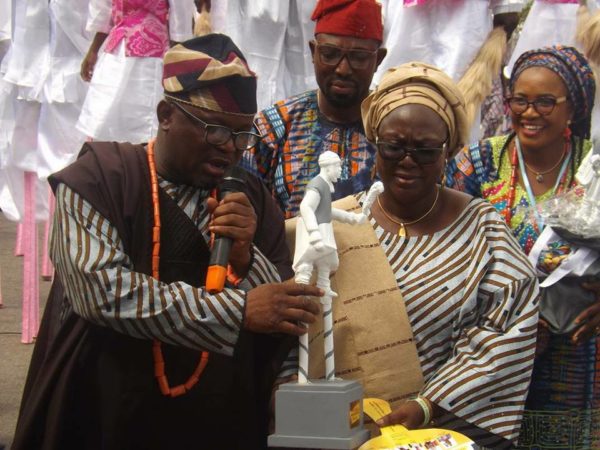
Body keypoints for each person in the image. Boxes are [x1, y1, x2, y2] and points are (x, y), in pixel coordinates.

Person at [12, 34, 321, 450]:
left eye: (241, 136)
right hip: (102, 413)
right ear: (165, 115)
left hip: (217, 423)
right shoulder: (99, 179)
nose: (230, 150)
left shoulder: (250, 197)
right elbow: (101, 292)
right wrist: (237, 311)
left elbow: (279, 313)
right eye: (214, 131)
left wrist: (246, 258)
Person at [356, 62, 540, 448]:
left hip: (450, 432)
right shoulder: (343, 223)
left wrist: (429, 404)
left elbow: (509, 329)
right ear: (375, 144)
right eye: (393, 146)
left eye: (425, 151)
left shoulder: (481, 227)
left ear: (447, 153)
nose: (408, 160)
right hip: (349, 425)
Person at [446, 45, 600, 449]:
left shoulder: (594, 168)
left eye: (545, 102)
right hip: (489, 348)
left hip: (574, 351)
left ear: (573, 108)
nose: (529, 113)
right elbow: (444, 242)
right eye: (520, 100)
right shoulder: (478, 164)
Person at [241, 0, 387, 218]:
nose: (343, 69)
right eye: (330, 54)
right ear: (313, 52)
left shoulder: (393, 129)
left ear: (378, 60)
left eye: (358, 58)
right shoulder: (274, 126)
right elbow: (245, 209)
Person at [77, 0, 195, 143]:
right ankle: (108, 153)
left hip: (151, 53)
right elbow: (104, 10)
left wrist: (178, 58)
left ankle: (144, 152)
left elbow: (180, 15)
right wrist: (93, 51)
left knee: (142, 112)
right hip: (116, 51)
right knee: (106, 111)